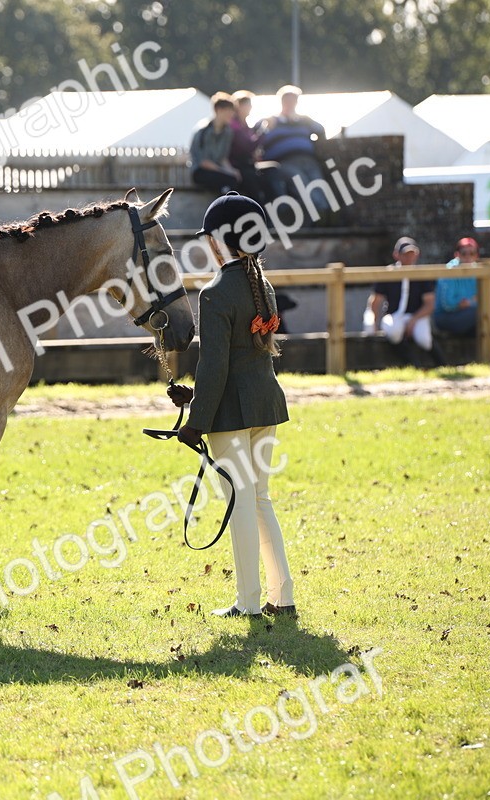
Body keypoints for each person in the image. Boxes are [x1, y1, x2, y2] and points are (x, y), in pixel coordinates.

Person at [172, 191, 296, 619]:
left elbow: (214, 366)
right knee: (259, 499)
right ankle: (283, 596)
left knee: (239, 503)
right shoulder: (264, 286)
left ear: (220, 240)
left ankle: (247, 602)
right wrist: (195, 398)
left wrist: (195, 421)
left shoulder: (215, 292)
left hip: (232, 414)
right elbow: (242, 360)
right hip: (265, 404)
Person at [365, 236, 443, 365]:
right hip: (395, 315)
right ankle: (413, 363)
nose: (409, 257)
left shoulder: (422, 274)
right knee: (393, 332)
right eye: (406, 254)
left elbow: (429, 304)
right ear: (396, 255)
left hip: (417, 315)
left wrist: (414, 320)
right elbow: (376, 300)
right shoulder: (388, 273)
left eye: (412, 253)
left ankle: (442, 364)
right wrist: (374, 322)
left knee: (424, 339)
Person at [256, 85, 328, 213]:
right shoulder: (272, 120)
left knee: (319, 185)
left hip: (308, 160)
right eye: (287, 100)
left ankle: (325, 213)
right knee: (303, 186)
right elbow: (255, 137)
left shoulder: (304, 120)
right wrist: (266, 125)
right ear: (282, 102)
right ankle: (317, 212)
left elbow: (320, 130)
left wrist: (306, 121)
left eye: (293, 100)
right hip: (285, 162)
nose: (290, 103)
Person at [189, 93, 242, 196]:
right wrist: (226, 172)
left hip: (217, 170)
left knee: (237, 179)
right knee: (229, 181)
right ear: (218, 110)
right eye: (228, 111)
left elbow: (223, 159)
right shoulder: (203, 131)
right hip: (201, 171)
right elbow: (204, 162)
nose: (232, 114)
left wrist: (232, 171)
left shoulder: (228, 132)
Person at [228, 90, 267, 203]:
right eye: (248, 105)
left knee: (271, 172)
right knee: (254, 187)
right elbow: (248, 146)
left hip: (248, 164)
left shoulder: (245, 125)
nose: (250, 107)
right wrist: (263, 132)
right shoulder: (234, 125)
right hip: (237, 166)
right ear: (239, 106)